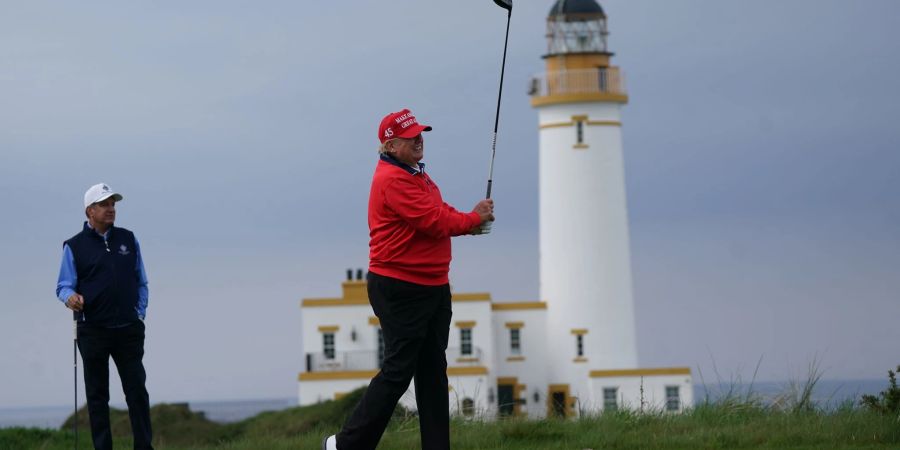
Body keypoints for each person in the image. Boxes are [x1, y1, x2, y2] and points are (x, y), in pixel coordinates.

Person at [322, 109, 494, 450]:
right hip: (401, 288)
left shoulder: (418, 175)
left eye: (420, 133)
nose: (419, 139)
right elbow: (432, 220)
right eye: (411, 136)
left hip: (431, 286)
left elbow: (439, 215)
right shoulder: (393, 180)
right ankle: (346, 445)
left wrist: (470, 223)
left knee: (432, 371)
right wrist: (473, 219)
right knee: (399, 370)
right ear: (390, 145)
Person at [56, 183, 153, 450]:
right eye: (105, 204)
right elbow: (63, 285)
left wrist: (139, 313)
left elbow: (141, 280)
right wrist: (70, 298)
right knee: (97, 397)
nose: (111, 209)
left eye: (113, 204)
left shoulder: (128, 239)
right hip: (93, 330)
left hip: (128, 329)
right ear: (90, 210)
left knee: (137, 393)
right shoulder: (74, 246)